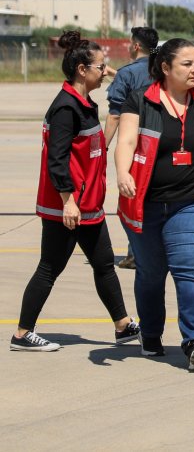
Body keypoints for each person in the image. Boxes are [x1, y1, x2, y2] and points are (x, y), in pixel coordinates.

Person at [11, 31, 140, 352]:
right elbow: (56, 161)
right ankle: (23, 334)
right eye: (100, 67)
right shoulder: (66, 108)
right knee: (49, 268)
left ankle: (123, 326)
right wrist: (69, 202)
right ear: (82, 70)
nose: (105, 71)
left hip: (89, 205)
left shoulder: (82, 101)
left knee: (104, 264)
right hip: (67, 208)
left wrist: (111, 71)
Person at [116, 38, 194, 371]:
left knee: (190, 270)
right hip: (144, 203)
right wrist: (122, 172)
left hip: (193, 202)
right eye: (186, 64)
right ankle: (150, 334)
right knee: (150, 274)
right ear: (165, 68)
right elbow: (127, 141)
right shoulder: (140, 101)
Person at [103, 26, 159, 270]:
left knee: (134, 198)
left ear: (136, 45)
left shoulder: (127, 74)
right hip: (164, 142)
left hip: (136, 145)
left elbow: (115, 115)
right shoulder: (163, 68)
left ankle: (136, 253)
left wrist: (102, 147)